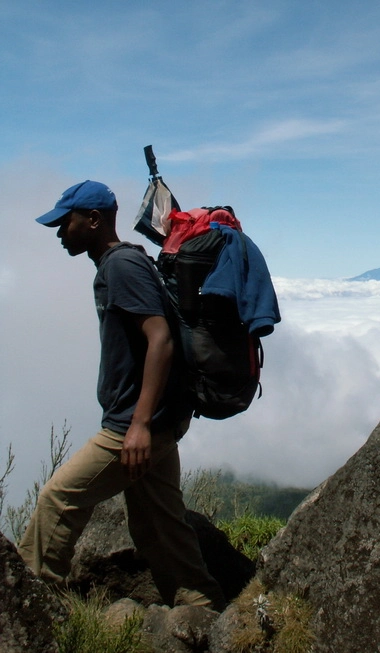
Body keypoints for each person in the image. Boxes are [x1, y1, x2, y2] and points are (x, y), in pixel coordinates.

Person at [19, 180, 225, 610]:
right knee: (160, 527)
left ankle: (28, 605)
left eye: (65, 223)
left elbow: (160, 339)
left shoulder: (120, 266)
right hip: (158, 420)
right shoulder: (125, 262)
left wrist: (138, 425)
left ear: (93, 220)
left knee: (58, 499)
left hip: (135, 424)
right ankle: (201, 609)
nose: (59, 233)